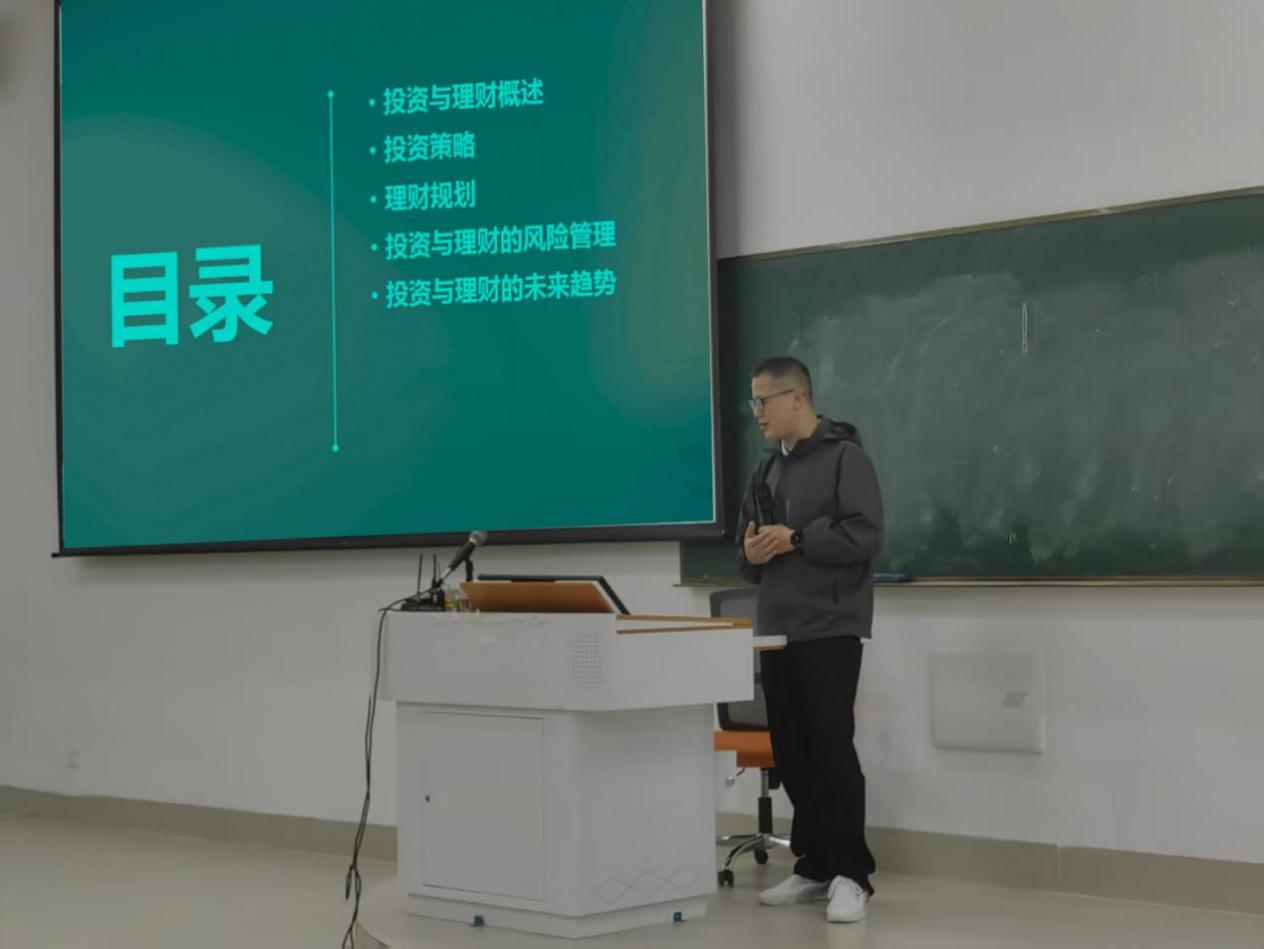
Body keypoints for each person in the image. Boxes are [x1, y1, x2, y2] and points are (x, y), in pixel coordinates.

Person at [736, 355, 884, 924]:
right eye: (752, 402)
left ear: (797, 398)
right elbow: (748, 553)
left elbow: (865, 534)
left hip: (831, 626)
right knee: (792, 752)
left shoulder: (846, 457)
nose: (756, 413)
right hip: (777, 628)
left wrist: (797, 538)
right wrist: (752, 553)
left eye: (763, 401)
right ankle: (816, 864)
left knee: (830, 747)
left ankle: (852, 874)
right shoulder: (766, 469)